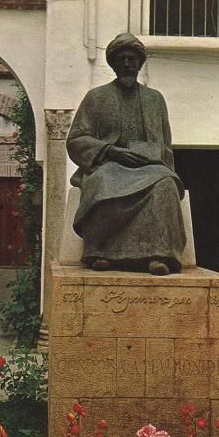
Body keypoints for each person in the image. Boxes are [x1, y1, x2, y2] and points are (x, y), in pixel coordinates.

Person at [67, 33, 186, 276]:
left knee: (165, 185)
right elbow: (76, 139)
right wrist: (110, 150)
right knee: (101, 184)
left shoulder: (155, 100)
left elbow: (166, 145)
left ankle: (158, 254)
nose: (127, 64)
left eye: (132, 58)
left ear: (140, 63)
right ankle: (99, 252)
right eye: (121, 59)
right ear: (113, 63)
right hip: (108, 164)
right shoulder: (96, 97)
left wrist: (154, 157)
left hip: (148, 167)